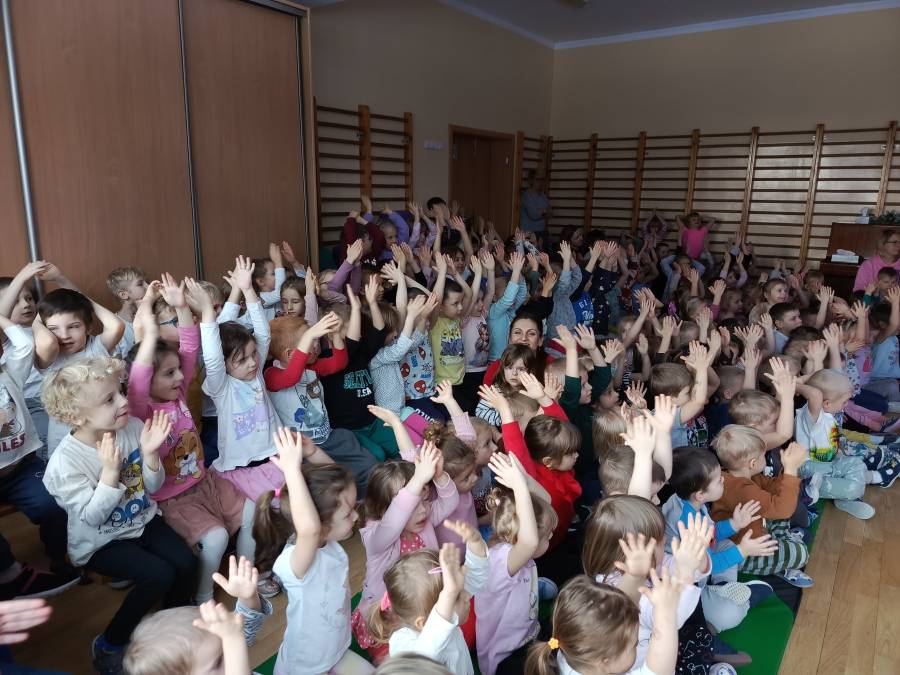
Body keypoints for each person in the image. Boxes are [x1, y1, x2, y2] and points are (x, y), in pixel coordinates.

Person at [41, 357, 196, 673]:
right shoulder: (64, 464)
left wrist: (150, 454)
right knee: (159, 574)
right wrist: (110, 475)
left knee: (186, 563)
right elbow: (92, 517)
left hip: (143, 520)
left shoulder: (132, 427)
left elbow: (152, 486)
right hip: (100, 542)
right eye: (109, 399)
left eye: (120, 392)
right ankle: (110, 642)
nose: (124, 401)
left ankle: (172, 625)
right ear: (77, 416)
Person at [126, 275, 247, 604]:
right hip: (172, 499)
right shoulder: (140, 409)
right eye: (169, 373)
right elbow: (138, 378)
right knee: (217, 537)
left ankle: (248, 574)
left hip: (203, 481)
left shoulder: (177, 394)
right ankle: (202, 596)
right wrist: (150, 334)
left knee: (252, 509)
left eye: (179, 370)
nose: (181, 377)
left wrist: (181, 308)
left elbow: (190, 348)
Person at [253, 428, 373, 674]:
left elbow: (339, 483)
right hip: (306, 666)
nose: (355, 516)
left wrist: (313, 453)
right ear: (321, 524)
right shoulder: (294, 562)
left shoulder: (328, 544)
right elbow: (309, 528)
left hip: (335, 649)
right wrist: (292, 471)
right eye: (347, 514)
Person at [351, 443, 459, 662]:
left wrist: (439, 476)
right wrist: (417, 480)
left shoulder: (424, 521)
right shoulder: (376, 539)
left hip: (421, 606)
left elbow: (450, 501)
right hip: (388, 619)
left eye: (424, 500)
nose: (423, 510)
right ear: (384, 510)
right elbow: (394, 519)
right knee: (397, 662)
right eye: (412, 505)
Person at [123, 556, 273, 675]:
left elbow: (245, 628)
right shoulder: (230, 646)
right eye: (217, 662)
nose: (232, 653)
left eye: (225, 642)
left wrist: (247, 597)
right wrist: (232, 639)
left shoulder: (222, 649)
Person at [475, 453, 554, 675]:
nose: (551, 536)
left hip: (529, 638)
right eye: (547, 536)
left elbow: (546, 502)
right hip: (505, 659)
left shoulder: (514, 546)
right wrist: (519, 487)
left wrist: (526, 481)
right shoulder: (502, 560)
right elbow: (530, 542)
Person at [367, 534, 489, 674]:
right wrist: (450, 593)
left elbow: (473, 579)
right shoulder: (404, 646)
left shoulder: (445, 605)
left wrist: (476, 545)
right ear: (424, 623)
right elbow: (428, 650)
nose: (466, 597)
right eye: (455, 598)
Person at [525, 572, 683, 675]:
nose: (638, 644)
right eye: (634, 645)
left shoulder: (573, 651)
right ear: (605, 662)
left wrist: (636, 575)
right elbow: (659, 670)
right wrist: (666, 615)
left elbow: (615, 616)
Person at [519, 171, 552, 241]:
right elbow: (534, 214)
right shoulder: (526, 195)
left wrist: (542, 211)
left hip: (541, 232)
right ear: (531, 181)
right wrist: (544, 211)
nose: (540, 182)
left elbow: (550, 213)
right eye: (538, 179)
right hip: (528, 233)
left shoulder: (543, 196)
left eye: (542, 179)